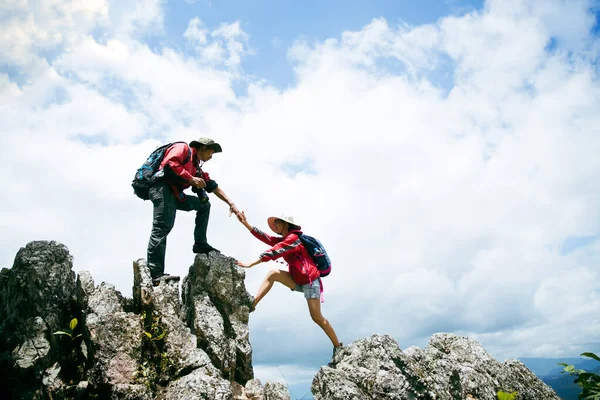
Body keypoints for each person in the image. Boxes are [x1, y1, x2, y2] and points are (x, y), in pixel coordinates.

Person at [235, 211, 343, 360]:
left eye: (278, 222)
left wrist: (251, 263)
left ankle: (338, 347)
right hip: (297, 278)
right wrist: (245, 223)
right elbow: (266, 238)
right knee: (273, 274)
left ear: (286, 224)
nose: (275, 225)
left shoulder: (294, 239)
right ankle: (252, 304)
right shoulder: (286, 239)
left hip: (311, 282)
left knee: (317, 318)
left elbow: (275, 251)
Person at [147, 137, 239, 285]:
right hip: (162, 189)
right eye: (211, 152)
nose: (211, 156)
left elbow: (211, 185)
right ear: (203, 147)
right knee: (162, 228)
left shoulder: (196, 167)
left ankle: (200, 243)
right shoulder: (183, 149)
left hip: (175, 195)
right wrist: (190, 179)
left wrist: (230, 203)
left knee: (204, 205)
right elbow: (170, 163)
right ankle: (155, 274)